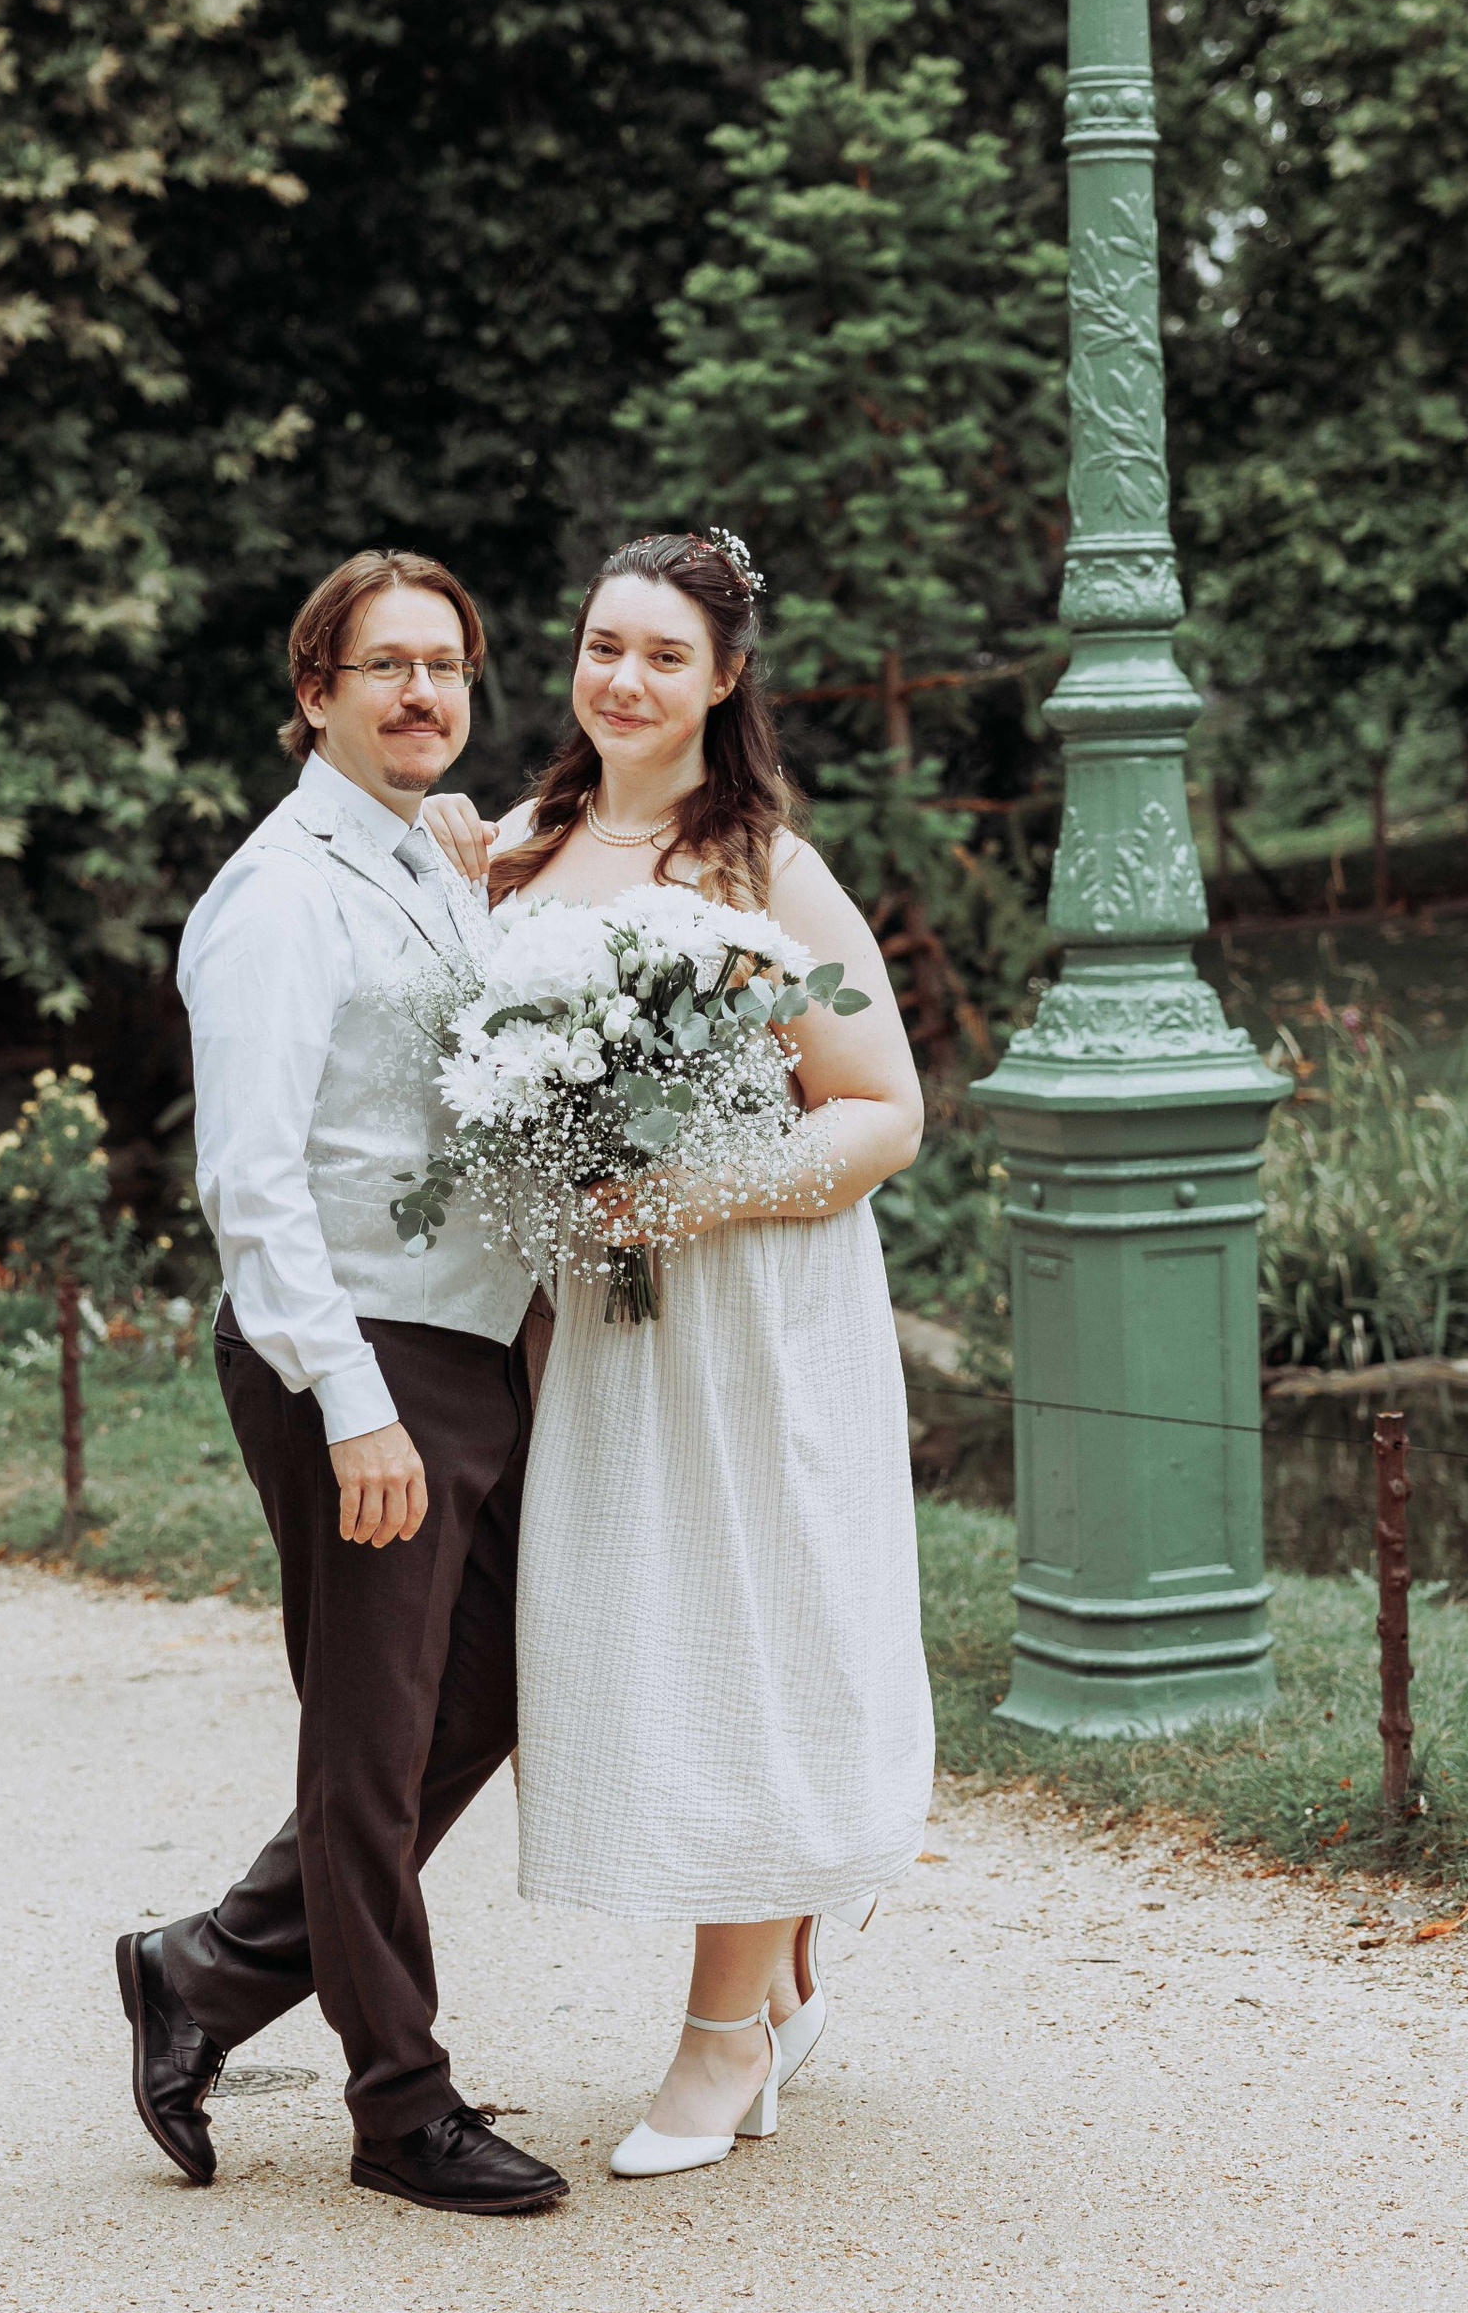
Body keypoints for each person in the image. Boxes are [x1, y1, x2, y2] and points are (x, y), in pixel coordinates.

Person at [422, 530, 935, 2181]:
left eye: (662, 654)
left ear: (725, 680)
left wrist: (689, 1194)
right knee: (644, 1634)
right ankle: (777, 1977)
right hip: (605, 1330)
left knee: (751, 1628)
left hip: (755, 1311)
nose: (622, 679)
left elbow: (883, 1111)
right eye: (599, 646)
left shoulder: (765, 868)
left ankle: (725, 2041)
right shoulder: (527, 841)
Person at [116, 548, 569, 2217]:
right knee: (370, 1746)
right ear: (314, 694)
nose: (420, 694)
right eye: (382, 667)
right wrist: (349, 1399)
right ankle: (400, 2104)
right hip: (357, 1356)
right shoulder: (280, 892)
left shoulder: (430, 864)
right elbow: (250, 1177)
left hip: (470, 1352)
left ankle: (212, 1970)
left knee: (487, 1699)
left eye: (444, 665)